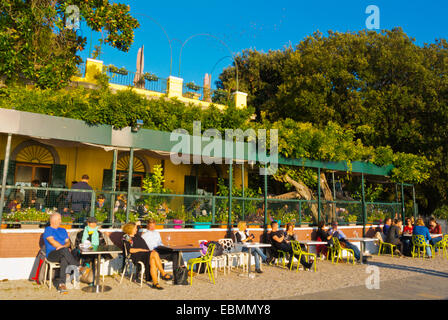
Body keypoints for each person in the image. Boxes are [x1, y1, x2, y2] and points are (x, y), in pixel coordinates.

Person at [122, 221, 170, 289]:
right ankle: (163, 273)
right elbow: (130, 250)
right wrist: (142, 250)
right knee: (154, 254)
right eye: (135, 228)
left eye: (136, 228)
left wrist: (137, 224)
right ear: (131, 229)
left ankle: (155, 283)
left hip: (145, 254)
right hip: (137, 256)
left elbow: (138, 227)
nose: (136, 229)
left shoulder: (136, 235)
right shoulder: (127, 237)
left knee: (153, 260)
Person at [43, 212, 81, 293]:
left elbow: (68, 243)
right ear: (53, 220)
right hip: (52, 254)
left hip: (63, 253)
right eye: (59, 219)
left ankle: (61, 284)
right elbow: (52, 241)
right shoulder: (48, 230)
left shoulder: (63, 230)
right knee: (64, 251)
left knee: (65, 257)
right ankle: (77, 267)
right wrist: (64, 248)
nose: (60, 221)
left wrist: (64, 247)